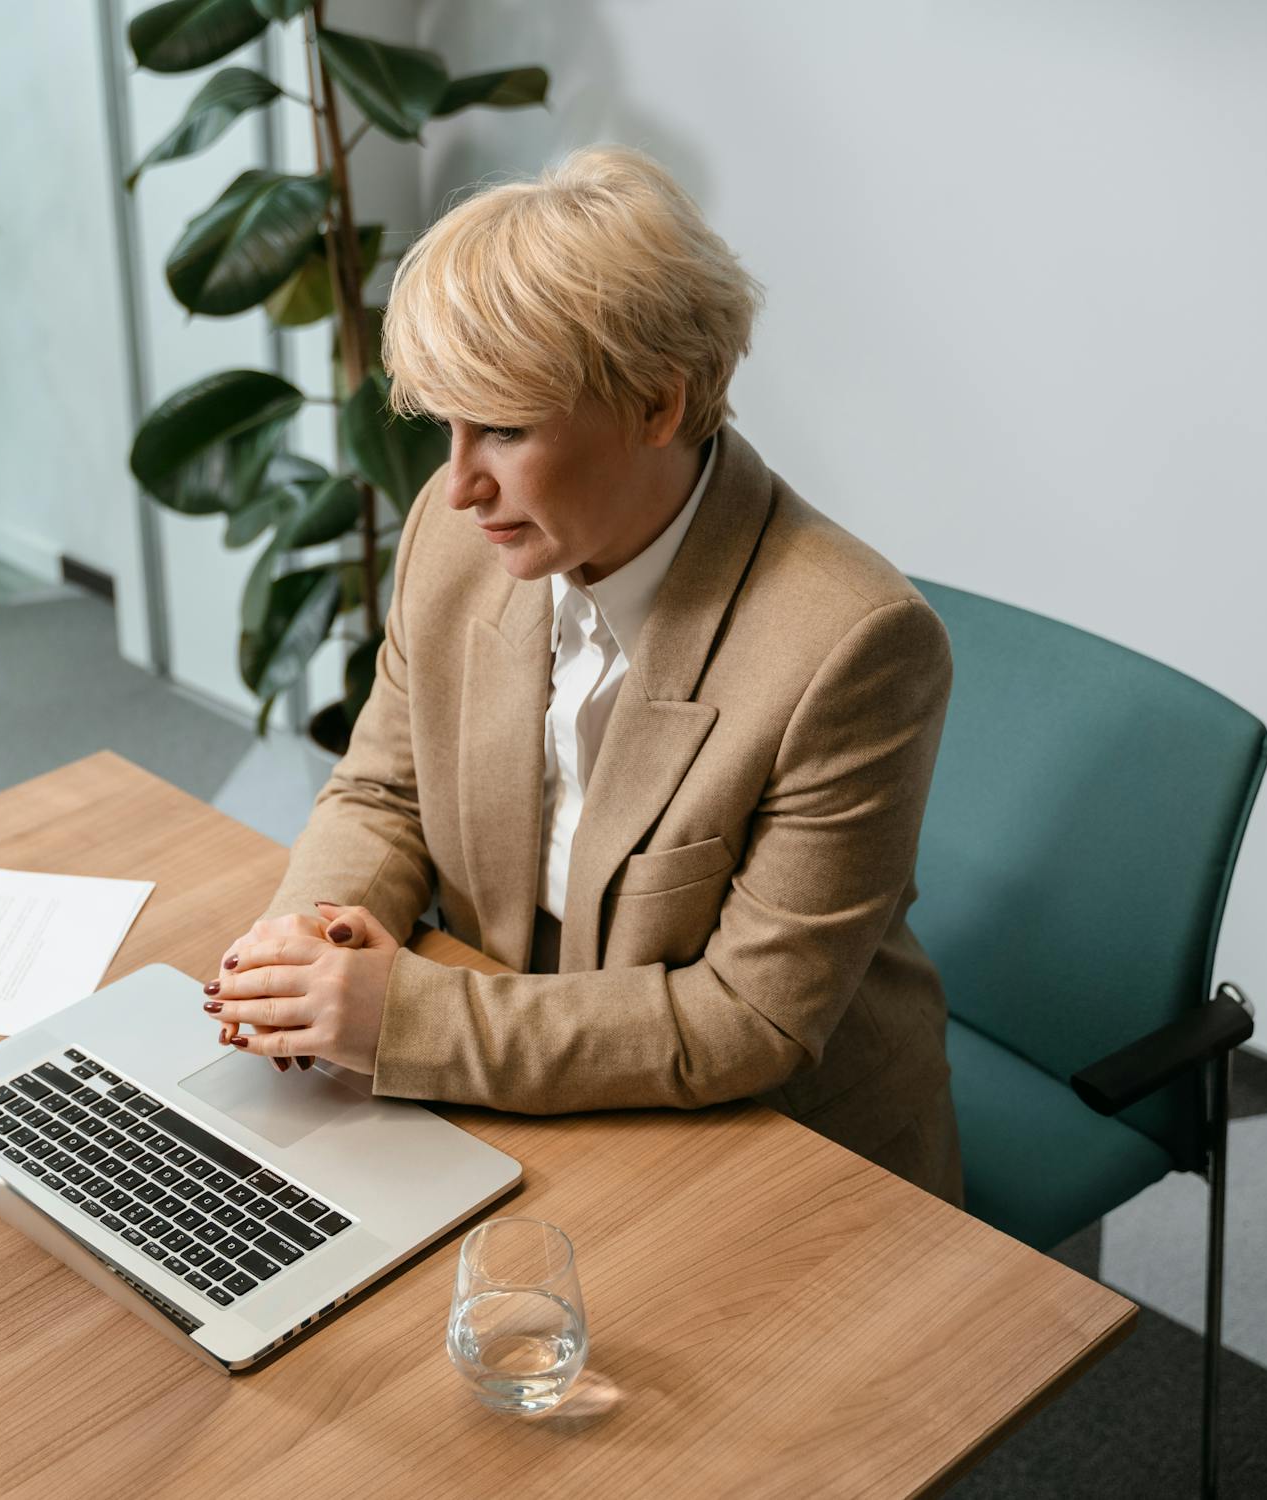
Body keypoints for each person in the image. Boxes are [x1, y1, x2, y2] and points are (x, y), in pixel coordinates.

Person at [203, 145, 962, 1201]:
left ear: (658, 404)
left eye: (505, 429)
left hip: (771, 1145)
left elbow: (751, 1018)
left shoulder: (854, 645)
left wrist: (400, 1017)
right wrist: (309, 945)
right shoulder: (456, 534)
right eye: (446, 425)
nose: (458, 484)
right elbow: (384, 790)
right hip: (513, 1064)